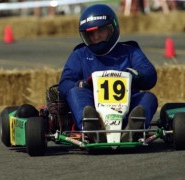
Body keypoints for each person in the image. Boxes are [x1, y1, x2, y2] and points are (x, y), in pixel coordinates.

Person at [58, 4, 158, 142]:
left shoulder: (130, 51)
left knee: (148, 97)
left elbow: (150, 74)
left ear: (112, 29)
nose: (96, 37)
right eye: (91, 34)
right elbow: (64, 83)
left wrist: (136, 76)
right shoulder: (80, 54)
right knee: (75, 92)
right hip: (93, 104)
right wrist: (80, 84)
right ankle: (91, 127)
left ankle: (133, 129)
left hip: (126, 107)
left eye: (101, 31)